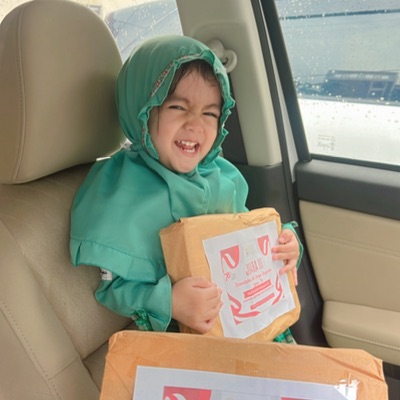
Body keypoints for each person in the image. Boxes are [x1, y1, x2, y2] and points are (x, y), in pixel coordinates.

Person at [70, 35, 303, 340]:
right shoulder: (118, 192)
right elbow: (114, 289)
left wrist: (282, 245)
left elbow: (245, 239)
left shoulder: (222, 176)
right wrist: (169, 301)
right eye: (178, 107)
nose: (196, 125)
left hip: (251, 329)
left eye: (210, 113)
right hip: (185, 345)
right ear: (142, 111)